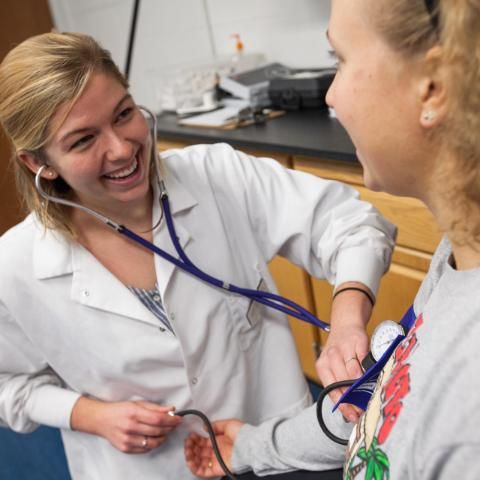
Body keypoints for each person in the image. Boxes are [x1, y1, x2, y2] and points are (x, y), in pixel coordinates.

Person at [0, 33, 396, 480]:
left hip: (274, 448)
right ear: (39, 163)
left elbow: (353, 224)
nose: (123, 148)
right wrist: (90, 414)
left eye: (124, 114)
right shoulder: (15, 266)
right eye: (83, 140)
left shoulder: (216, 175)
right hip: (146, 469)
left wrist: (345, 321)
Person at [184, 0, 480, 478]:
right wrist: (251, 447)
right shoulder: (458, 253)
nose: (330, 96)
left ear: (432, 88)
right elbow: (380, 409)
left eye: (338, 60)